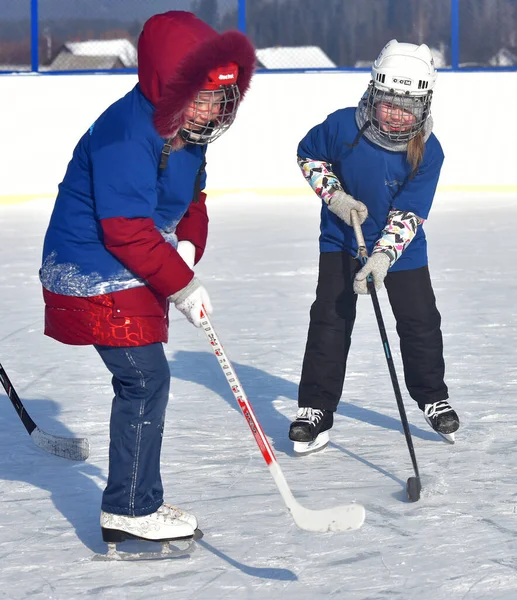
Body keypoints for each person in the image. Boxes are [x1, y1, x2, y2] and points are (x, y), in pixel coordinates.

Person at [39, 11, 255, 544]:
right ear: (172, 86)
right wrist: (180, 283)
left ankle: (134, 501)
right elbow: (123, 230)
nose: (214, 111)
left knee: (144, 378)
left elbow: (193, 199)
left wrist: (185, 246)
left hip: (133, 261)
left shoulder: (188, 131)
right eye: (204, 97)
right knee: (143, 378)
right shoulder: (126, 133)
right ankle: (132, 509)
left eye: (221, 99)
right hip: (92, 268)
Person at [289, 39, 459, 456]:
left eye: (408, 107)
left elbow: (410, 212)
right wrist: (336, 198)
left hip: (402, 252)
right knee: (330, 320)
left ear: (425, 106)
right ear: (373, 93)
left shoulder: (428, 152)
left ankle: (432, 397)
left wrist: (383, 256)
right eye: (388, 103)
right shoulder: (343, 126)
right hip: (341, 240)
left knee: (420, 323)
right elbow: (309, 156)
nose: (396, 114)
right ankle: (314, 409)